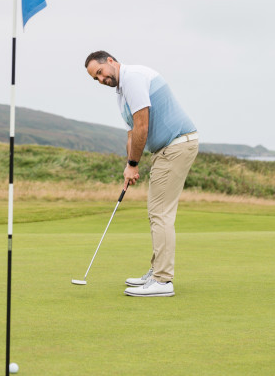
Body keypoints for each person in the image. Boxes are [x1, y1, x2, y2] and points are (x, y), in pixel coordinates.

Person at [84, 51, 199, 297]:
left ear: (111, 62)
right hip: (166, 149)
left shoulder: (133, 77)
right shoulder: (122, 93)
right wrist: (129, 165)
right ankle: (158, 270)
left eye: (100, 73)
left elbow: (142, 125)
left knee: (160, 213)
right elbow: (131, 134)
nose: (101, 80)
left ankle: (163, 281)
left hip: (176, 145)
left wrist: (135, 163)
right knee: (156, 211)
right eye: (96, 79)